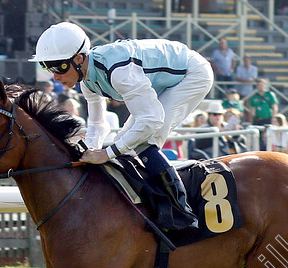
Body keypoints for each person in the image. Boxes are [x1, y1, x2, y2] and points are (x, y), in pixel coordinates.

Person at [31, 22, 213, 232]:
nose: (55, 76)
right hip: (166, 78)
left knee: (146, 140)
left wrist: (106, 154)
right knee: (125, 142)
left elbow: (152, 120)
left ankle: (183, 216)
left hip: (192, 73)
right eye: (47, 67)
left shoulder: (119, 72)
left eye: (59, 67)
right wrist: (88, 152)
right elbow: (99, 124)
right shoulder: (87, 81)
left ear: (79, 59)